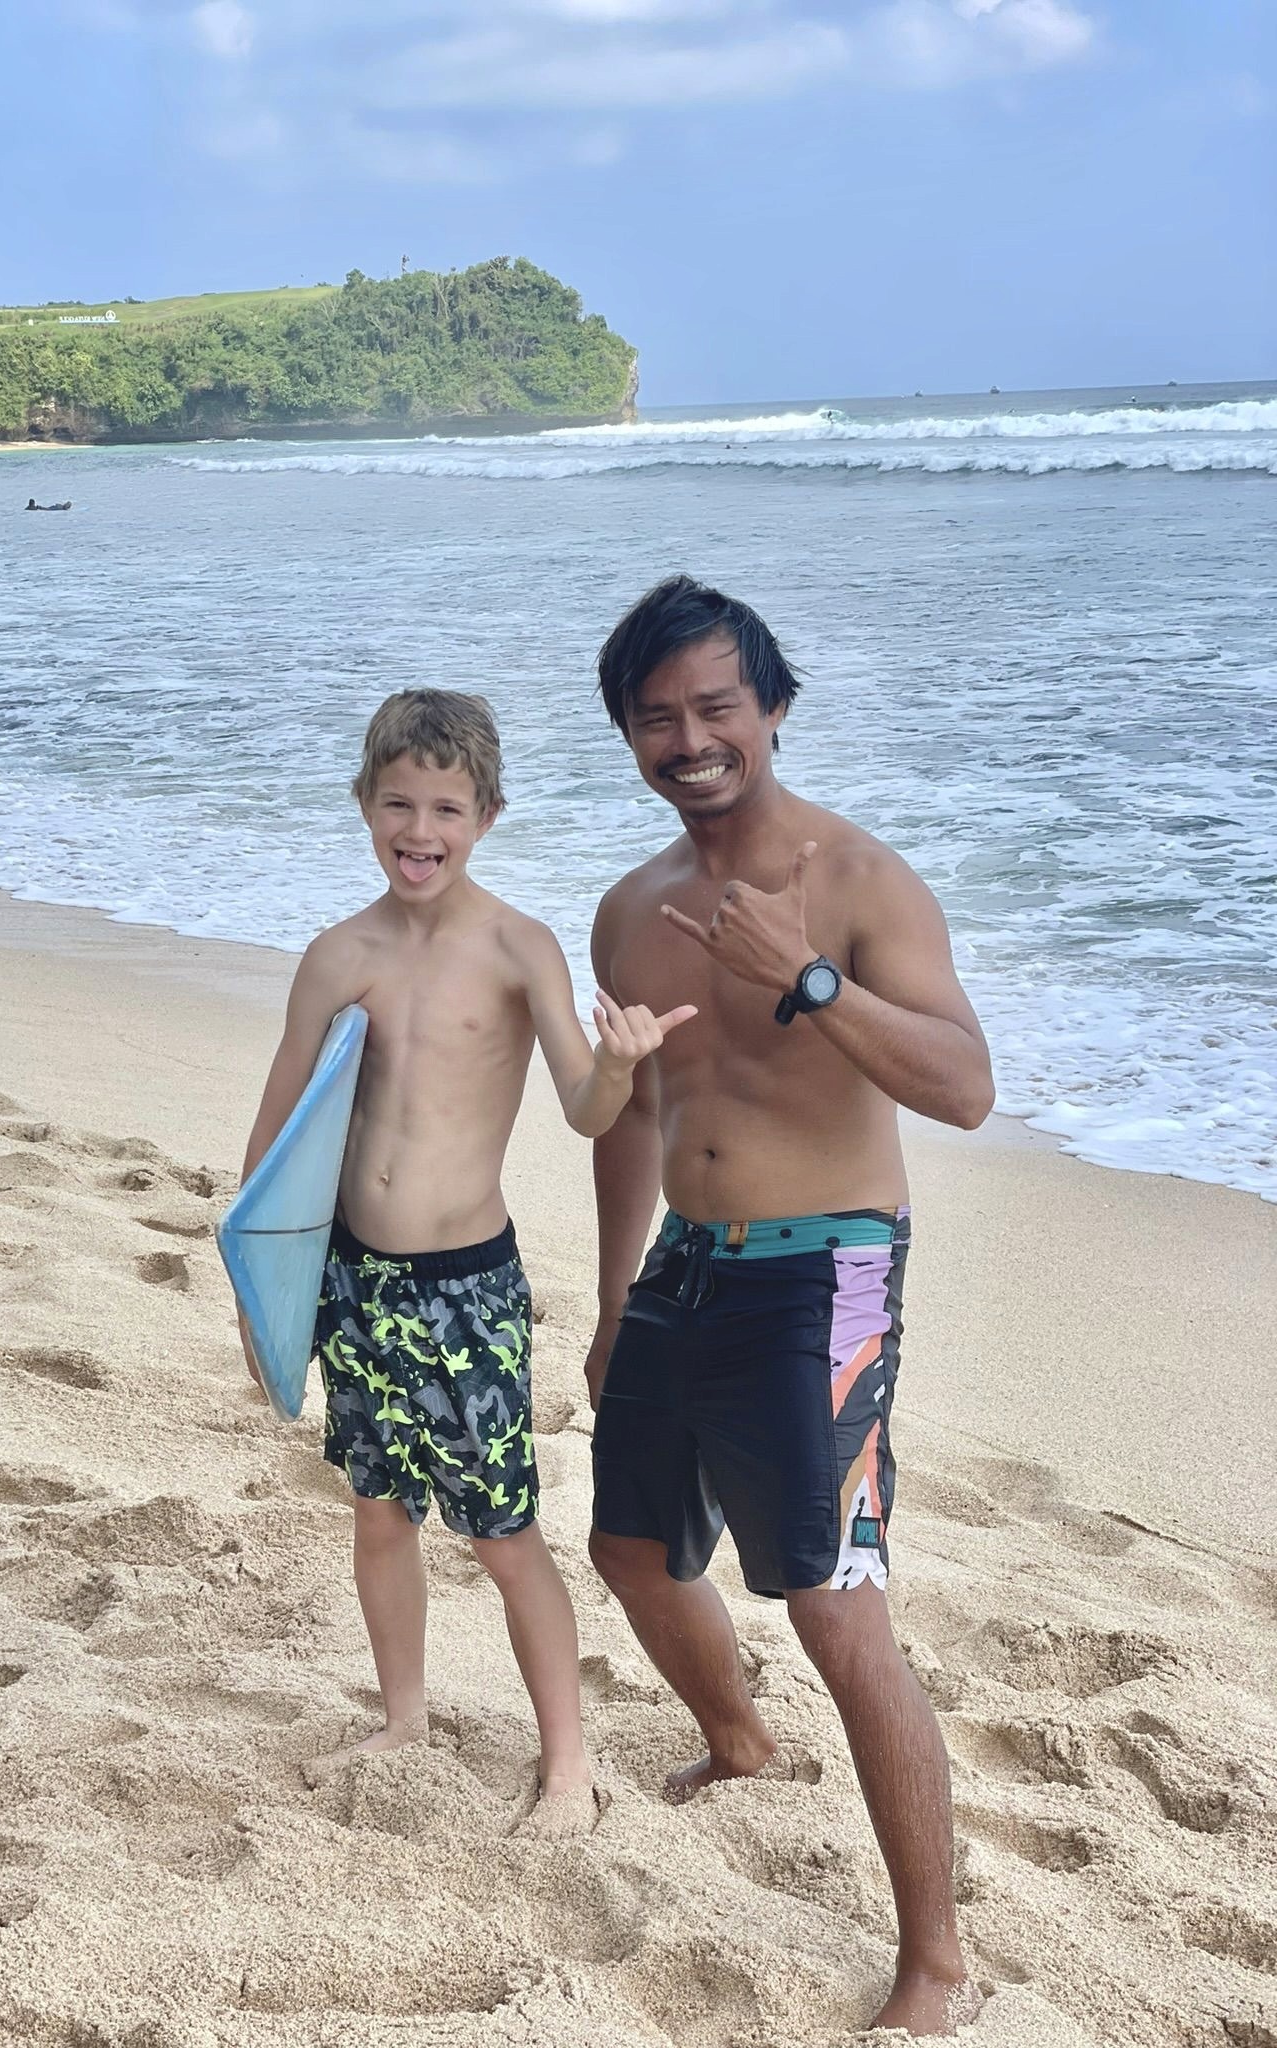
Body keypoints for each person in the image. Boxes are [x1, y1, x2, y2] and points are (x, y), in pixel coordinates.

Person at [582, 575, 995, 2034]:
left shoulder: (858, 881)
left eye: (714, 708)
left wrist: (807, 978)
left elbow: (964, 1090)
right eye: (656, 718)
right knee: (630, 1547)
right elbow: (633, 1116)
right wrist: (615, 1292)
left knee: (835, 1603)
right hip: (683, 1268)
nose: (689, 740)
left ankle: (934, 1959)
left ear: (771, 710)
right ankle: (739, 1741)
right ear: (627, 737)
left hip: (827, 1270)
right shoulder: (628, 911)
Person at [237, 688, 695, 1835]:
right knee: (379, 1511)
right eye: (398, 802)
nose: (419, 828)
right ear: (364, 804)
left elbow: (588, 1109)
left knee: (501, 1532)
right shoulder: (338, 954)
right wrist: (260, 1295)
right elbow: (278, 1131)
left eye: (446, 806)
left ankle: (570, 1764)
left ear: (486, 814)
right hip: (357, 1281)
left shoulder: (516, 947)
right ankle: (403, 1715)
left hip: (469, 1290)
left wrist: (624, 1064)